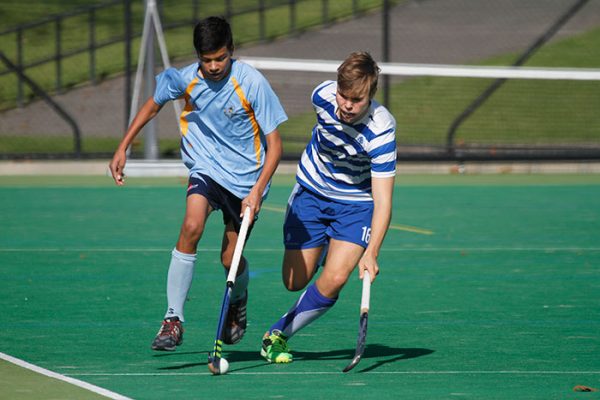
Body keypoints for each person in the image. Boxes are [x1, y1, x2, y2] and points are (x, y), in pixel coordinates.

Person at [109, 16, 287, 351]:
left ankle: (239, 297)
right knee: (191, 225)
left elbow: (275, 145)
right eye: (207, 60)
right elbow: (152, 105)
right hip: (205, 168)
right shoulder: (185, 79)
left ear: (231, 51)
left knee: (229, 258)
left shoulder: (252, 82)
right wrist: (124, 146)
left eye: (221, 58)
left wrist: (257, 190)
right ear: (198, 57)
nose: (215, 66)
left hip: (247, 179)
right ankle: (173, 318)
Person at [260, 52, 396, 363]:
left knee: (335, 278)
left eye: (357, 100)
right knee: (294, 282)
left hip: (355, 204)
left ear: (371, 96)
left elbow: (384, 200)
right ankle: (322, 247)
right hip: (311, 191)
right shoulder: (321, 96)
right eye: (344, 95)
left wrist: (372, 251)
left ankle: (278, 334)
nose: (347, 105)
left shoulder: (381, 130)